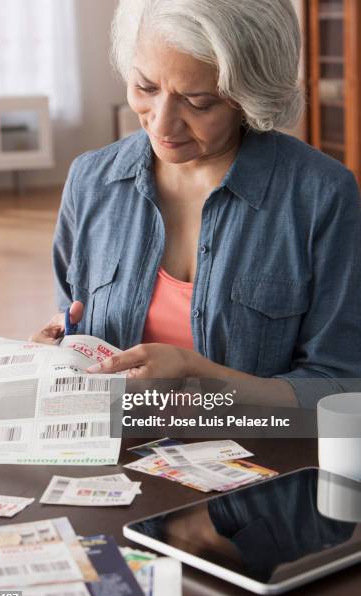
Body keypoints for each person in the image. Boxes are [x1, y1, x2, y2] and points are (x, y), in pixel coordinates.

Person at [32, 0, 361, 410]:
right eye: (145, 88)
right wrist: (56, 352)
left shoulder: (320, 195)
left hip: (261, 462)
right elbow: (68, 318)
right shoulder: (91, 180)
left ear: (250, 96)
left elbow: (340, 389)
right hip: (113, 459)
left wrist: (202, 378)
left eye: (198, 101)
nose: (162, 123)